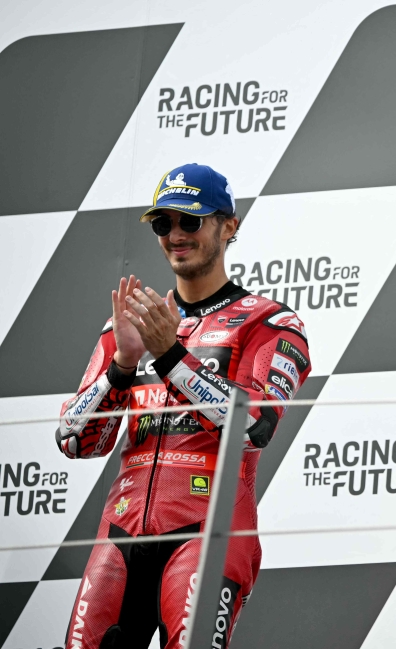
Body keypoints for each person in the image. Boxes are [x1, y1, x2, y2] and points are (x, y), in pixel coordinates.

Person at [56, 163, 311, 649]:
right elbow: (75, 440)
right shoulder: (131, 325)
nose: (175, 234)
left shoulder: (269, 322)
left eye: (190, 221)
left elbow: (254, 426)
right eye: (163, 223)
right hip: (119, 532)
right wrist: (122, 366)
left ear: (229, 226)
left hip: (209, 533)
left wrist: (170, 355)